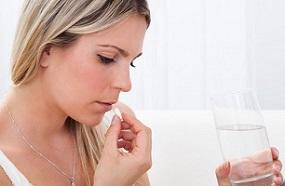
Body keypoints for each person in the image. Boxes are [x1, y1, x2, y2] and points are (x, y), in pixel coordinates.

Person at [0, 0, 282, 186]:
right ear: (45, 49)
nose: (126, 84)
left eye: (131, 62)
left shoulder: (112, 126)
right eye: (107, 58)